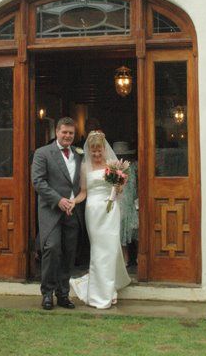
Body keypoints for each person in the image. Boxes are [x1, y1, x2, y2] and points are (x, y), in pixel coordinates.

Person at [69, 131, 131, 309]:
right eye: (93, 151)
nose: (96, 154)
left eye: (99, 151)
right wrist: (74, 201)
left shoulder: (113, 166)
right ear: (89, 150)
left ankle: (110, 289)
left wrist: (118, 186)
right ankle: (100, 293)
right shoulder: (84, 166)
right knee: (98, 250)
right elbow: (83, 193)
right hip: (93, 211)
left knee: (111, 249)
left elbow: (118, 191)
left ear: (105, 149)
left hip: (110, 211)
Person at [32, 117, 83, 310]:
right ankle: (47, 293)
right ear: (57, 132)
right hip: (51, 210)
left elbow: (80, 183)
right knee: (52, 249)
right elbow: (38, 181)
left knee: (69, 253)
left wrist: (74, 201)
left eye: (71, 133)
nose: (68, 136)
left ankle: (63, 294)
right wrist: (58, 200)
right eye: (64, 132)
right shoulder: (43, 153)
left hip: (73, 211)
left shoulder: (79, 155)